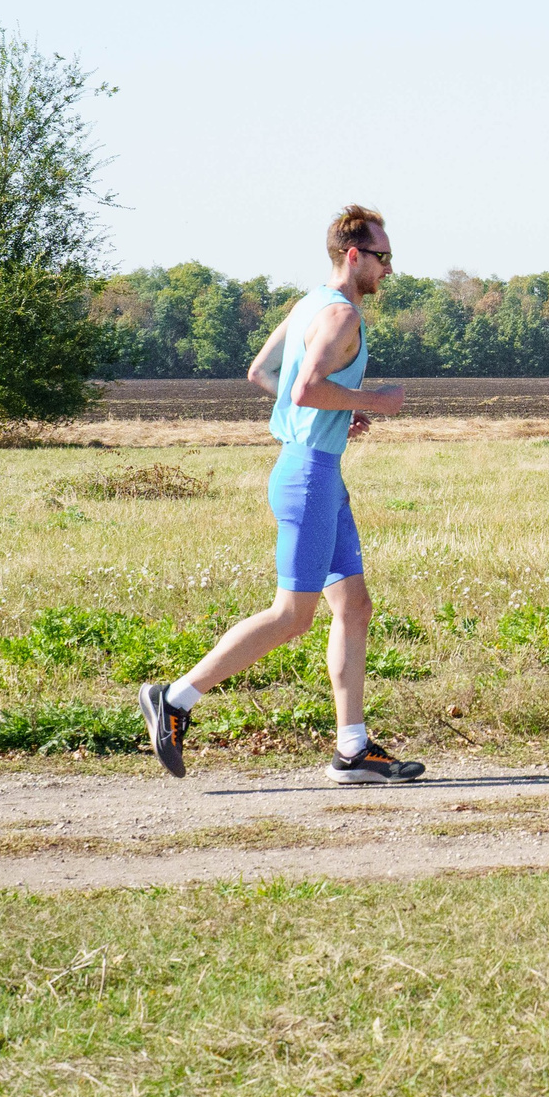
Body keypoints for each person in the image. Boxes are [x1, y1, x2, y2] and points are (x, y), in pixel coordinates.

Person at [138, 205, 425, 784]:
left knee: (354, 605)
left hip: (319, 471)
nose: (389, 268)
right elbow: (305, 388)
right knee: (293, 615)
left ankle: (353, 751)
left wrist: (336, 416)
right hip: (309, 478)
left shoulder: (308, 305)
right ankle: (175, 700)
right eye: (383, 256)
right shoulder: (341, 315)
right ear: (354, 255)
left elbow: (261, 375)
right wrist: (372, 401)